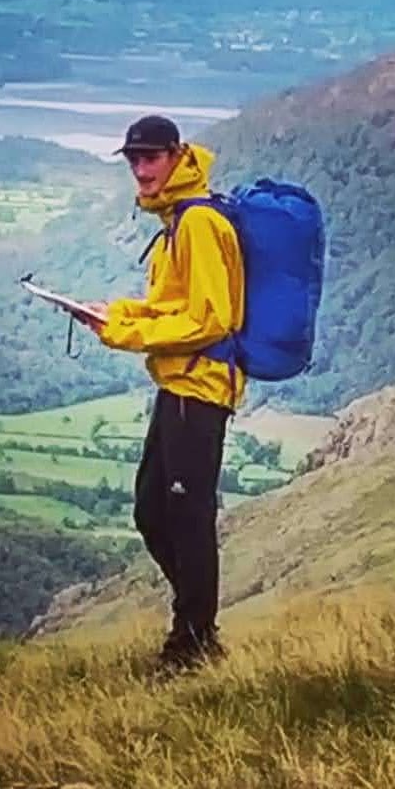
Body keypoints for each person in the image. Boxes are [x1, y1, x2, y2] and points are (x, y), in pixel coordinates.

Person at [80, 114, 245, 673]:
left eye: (151, 157)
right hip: (177, 385)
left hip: (199, 389)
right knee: (153, 511)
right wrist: (117, 314)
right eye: (133, 158)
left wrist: (127, 334)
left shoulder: (197, 222)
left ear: (177, 155)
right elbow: (174, 305)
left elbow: (211, 317)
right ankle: (198, 626)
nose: (141, 168)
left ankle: (192, 644)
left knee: (186, 516)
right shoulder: (178, 218)